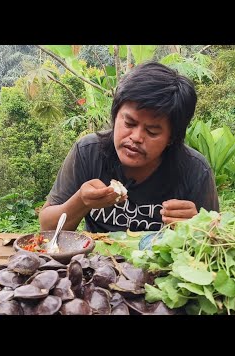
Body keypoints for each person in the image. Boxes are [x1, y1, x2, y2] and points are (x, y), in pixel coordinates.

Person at [39, 61, 219, 233]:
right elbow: (47, 228)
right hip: (98, 263)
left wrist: (197, 226)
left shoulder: (195, 169)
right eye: (129, 123)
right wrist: (80, 201)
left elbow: (216, 240)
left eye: (152, 131)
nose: (136, 137)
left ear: (171, 137)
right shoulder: (88, 152)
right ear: (116, 115)